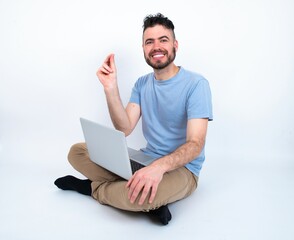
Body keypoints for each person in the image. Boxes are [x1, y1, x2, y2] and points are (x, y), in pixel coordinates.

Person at [54, 13, 213, 225]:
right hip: (145, 159)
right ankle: (140, 193)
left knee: (146, 196)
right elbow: (125, 127)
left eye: (163, 40)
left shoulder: (196, 84)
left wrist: (159, 168)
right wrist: (111, 89)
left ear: (175, 44)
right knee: (77, 151)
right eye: (150, 42)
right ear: (144, 49)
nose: (156, 46)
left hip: (182, 170)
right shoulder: (142, 84)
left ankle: (92, 188)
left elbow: (195, 144)